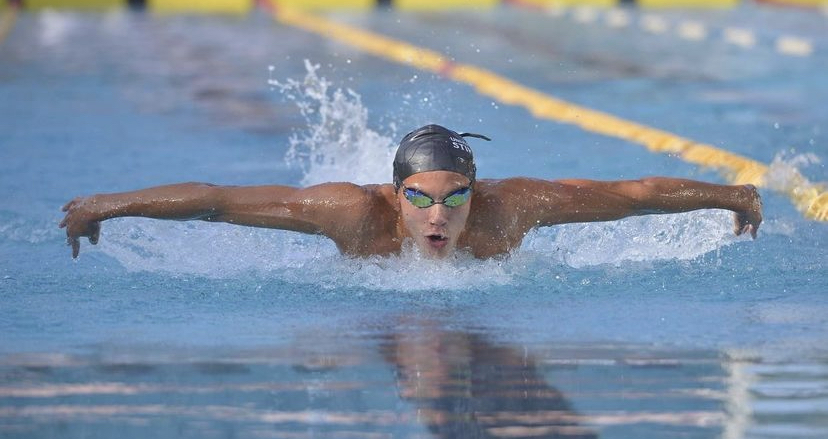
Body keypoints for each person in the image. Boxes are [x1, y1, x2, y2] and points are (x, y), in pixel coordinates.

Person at [60, 124, 763, 260]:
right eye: (420, 198)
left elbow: (635, 193)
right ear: (394, 194)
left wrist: (733, 195)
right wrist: (106, 205)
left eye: (455, 197)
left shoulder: (511, 210)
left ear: (476, 193)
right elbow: (217, 199)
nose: (438, 214)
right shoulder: (350, 214)